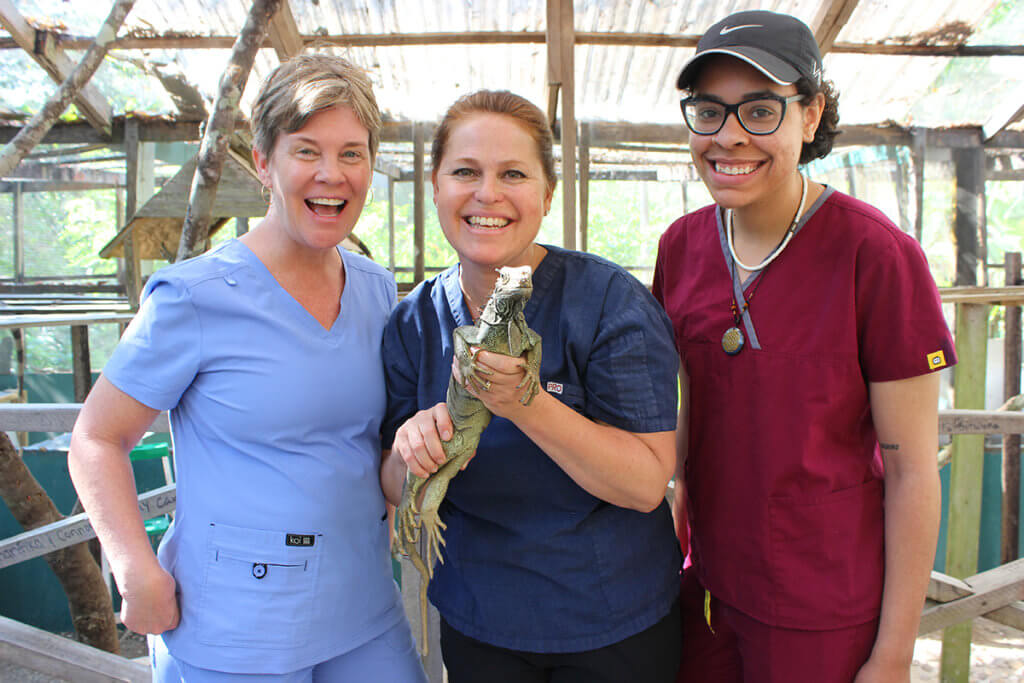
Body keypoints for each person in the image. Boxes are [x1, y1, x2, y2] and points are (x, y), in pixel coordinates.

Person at [68, 54, 425, 682]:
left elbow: (371, 443)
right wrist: (134, 566)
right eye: (306, 151)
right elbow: (98, 438)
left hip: (362, 602)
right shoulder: (194, 296)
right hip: (234, 619)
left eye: (352, 153)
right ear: (263, 161)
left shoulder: (376, 289)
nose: (331, 175)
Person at [653, 10, 956, 683]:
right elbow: (682, 412)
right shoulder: (681, 247)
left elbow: (912, 472)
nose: (728, 136)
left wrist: (894, 653)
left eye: (760, 110)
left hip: (820, 606)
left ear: (811, 115)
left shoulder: (876, 257)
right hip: (704, 588)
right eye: (708, 110)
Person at [380, 90, 682, 682]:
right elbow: (390, 483)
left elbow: (647, 484)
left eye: (512, 174)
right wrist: (409, 451)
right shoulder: (413, 321)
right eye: (465, 172)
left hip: (609, 620)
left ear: (546, 193)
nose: (486, 194)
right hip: (479, 620)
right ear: (435, 186)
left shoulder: (608, 303)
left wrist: (526, 403)